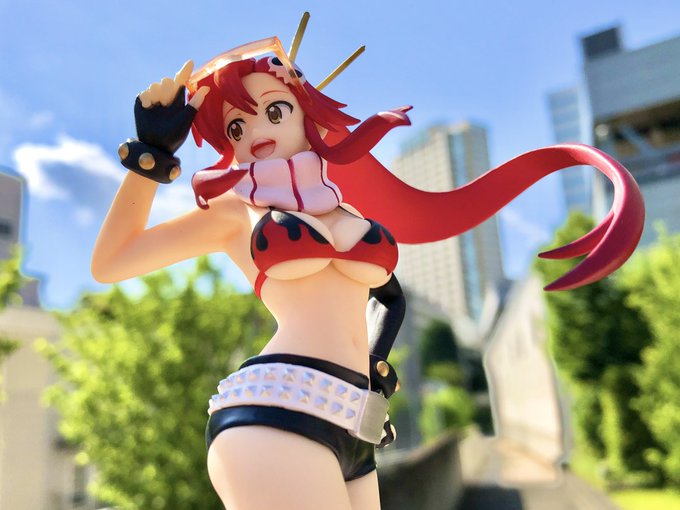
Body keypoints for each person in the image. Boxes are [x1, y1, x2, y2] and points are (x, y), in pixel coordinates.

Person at [92, 24, 644, 510]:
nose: (255, 133)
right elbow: (112, 262)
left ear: (307, 113)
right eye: (236, 128)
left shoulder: (345, 208)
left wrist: (376, 359)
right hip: (277, 405)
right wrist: (150, 153)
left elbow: (388, 296)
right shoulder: (238, 210)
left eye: (275, 111)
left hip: (355, 419)